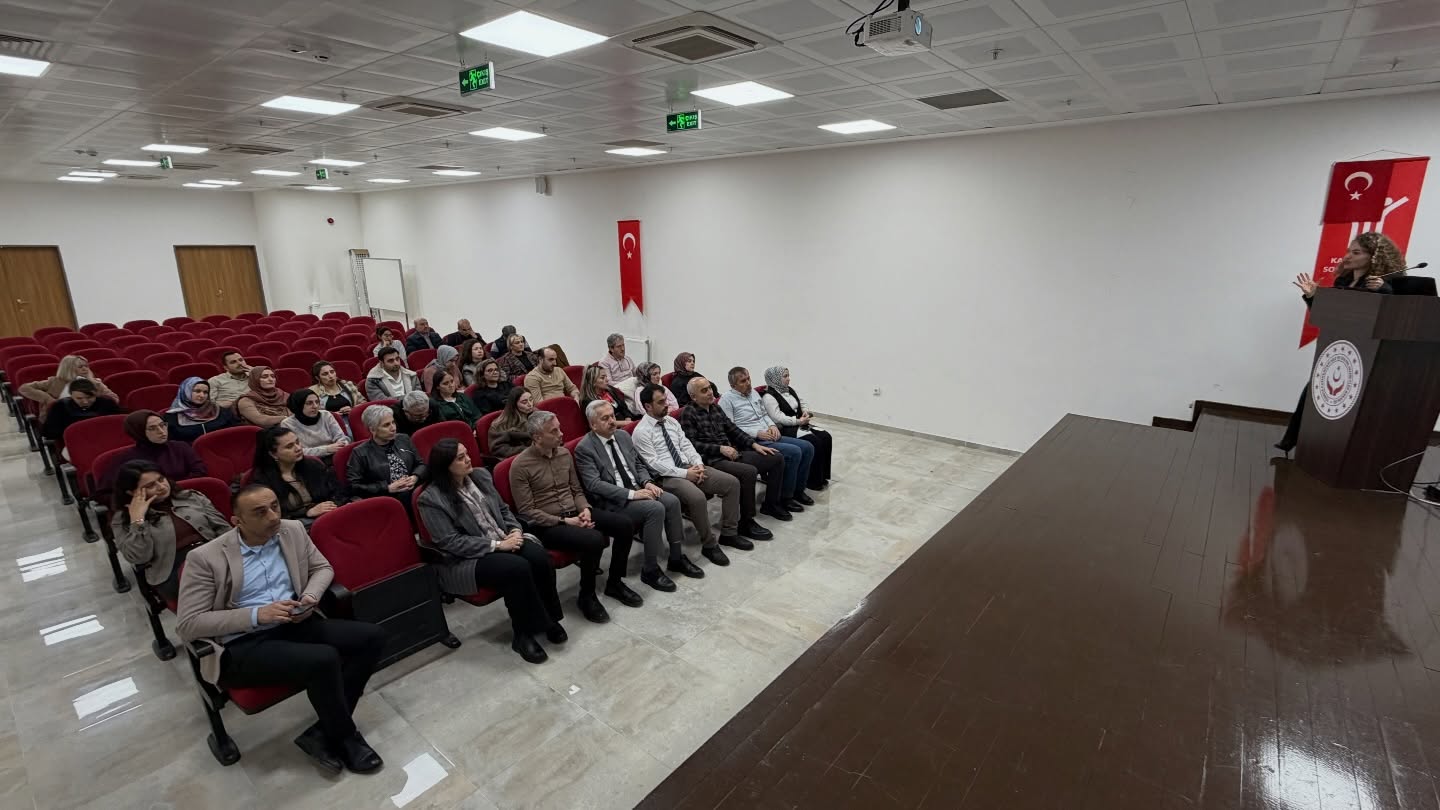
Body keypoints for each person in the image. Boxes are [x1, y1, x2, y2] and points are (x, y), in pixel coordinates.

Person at [176, 484, 387, 775]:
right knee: (324, 659)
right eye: (260, 512)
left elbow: (322, 568)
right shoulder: (206, 558)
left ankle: (322, 732)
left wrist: (310, 597)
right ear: (237, 520)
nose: (273, 516)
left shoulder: (292, 530)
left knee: (372, 637)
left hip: (294, 622)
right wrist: (256, 615)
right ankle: (344, 737)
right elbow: (188, 624)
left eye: (275, 506)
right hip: (243, 643)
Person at [417, 439, 567, 664]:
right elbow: (450, 542)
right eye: (460, 458)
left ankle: (549, 619)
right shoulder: (430, 499)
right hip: (469, 558)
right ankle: (522, 634)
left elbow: (503, 510)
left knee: (540, 558)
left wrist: (515, 530)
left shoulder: (480, 476)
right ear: (445, 465)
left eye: (467, 454)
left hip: (504, 537)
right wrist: (497, 545)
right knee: (516, 568)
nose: (468, 459)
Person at [1277, 231, 1405, 452]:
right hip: (1337, 348)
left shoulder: (1382, 285)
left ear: (1373, 257)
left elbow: (1388, 317)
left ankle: (1331, 449)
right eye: (1348, 251)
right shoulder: (1343, 280)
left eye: (1356, 252)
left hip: (1363, 354)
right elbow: (1326, 316)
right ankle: (1294, 440)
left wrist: (1384, 291)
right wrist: (1312, 296)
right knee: (1314, 392)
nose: (1347, 256)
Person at [510, 410, 643, 620]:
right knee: (594, 539)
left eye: (560, 428)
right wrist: (565, 521)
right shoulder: (520, 466)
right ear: (537, 437)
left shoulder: (564, 454)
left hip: (575, 512)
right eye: (554, 431)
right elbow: (527, 511)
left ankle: (615, 582)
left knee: (624, 525)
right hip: (549, 525)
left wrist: (585, 509)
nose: (561, 434)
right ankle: (587, 596)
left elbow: (577, 490)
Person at [574, 400, 702, 592]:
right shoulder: (585, 448)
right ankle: (650, 569)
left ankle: (676, 558)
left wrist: (647, 482)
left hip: (637, 487)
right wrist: (633, 494)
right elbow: (594, 484)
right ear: (593, 424)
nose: (612, 421)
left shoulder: (623, 436)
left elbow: (639, 464)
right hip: (614, 500)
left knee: (672, 501)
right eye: (605, 418)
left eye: (612, 416)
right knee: (655, 508)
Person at [633, 383, 749, 566]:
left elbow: (686, 445)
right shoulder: (641, 432)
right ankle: (709, 544)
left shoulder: (671, 422)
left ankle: (729, 533)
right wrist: (686, 474)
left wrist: (698, 464)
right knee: (697, 497)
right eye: (661, 402)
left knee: (732, 483)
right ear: (648, 406)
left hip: (690, 467)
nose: (667, 404)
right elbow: (654, 464)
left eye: (665, 400)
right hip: (666, 477)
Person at [112, 460, 230, 601]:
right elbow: (139, 557)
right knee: (221, 589)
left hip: (213, 553)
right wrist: (137, 520)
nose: (161, 487)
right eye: (150, 486)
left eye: (161, 479)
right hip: (172, 569)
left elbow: (224, 529)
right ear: (132, 492)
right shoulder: (122, 519)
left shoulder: (191, 497)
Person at [682, 375, 787, 526]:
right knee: (749, 472)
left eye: (710, 388)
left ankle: (771, 505)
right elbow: (691, 444)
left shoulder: (715, 408)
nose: (710, 392)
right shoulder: (689, 413)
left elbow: (733, 429)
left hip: (730, 453)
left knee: (776, 458)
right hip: (712, 460)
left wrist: (754, 445)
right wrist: (720, 449)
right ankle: (746, 521)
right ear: (693, 397)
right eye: (704, 391)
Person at [721, 367, 814, 513]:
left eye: (748, 378)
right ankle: (785, 497)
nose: (748, 383)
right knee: (794, 452)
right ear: (733, 385)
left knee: (808, 447)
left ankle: (797, 490)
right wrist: (757, 433)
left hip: (768, 433)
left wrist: (772, 425)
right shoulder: (726, 400)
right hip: (751, 441)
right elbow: (730, 428)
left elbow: (764, 414)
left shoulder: (753, 393)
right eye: (743, 381)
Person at [251, 426, 348, 527]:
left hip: (327, 517)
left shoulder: (313, 465)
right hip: (294, 526)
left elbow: (338, 492)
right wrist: (307, 512)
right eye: (289, 446)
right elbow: (272, 515)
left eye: (297, 442)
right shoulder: (262, 481)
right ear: (273, 454)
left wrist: (332, 506)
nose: (298, 448)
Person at [761, 366, 833, 491]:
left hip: (799, 423)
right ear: (775, 379)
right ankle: (812, 480)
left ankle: (822, 476)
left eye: (788, 375)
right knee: (815, 441)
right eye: (785, 376)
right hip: (786, 428)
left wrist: (805, 412)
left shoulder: (789, 390)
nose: (788, 379)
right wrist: (798, 421)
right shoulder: (768, 397)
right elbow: (778, 417)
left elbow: (802, 402)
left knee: (826, 437)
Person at [99, 410, 206, 492]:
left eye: (162, 425)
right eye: (152, 428)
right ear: (138, 432)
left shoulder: (180, 447)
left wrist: (172, 489)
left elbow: (200, 472)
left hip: (185, 496)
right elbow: (105, 493)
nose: (161, 431)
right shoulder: (124, 459)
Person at [347, 406, 424, 513]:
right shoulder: (360, 453)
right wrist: (387, 488)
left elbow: (421, 464)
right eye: (386, 425)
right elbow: (353, 486)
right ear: (372, 429)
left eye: (393, 422)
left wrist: (415, 477)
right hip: (387, 499)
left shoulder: (403, 439)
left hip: (414, 490)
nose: (393, 428)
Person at [20, 354, 118, 419]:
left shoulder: (95, 383)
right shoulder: (54, 382)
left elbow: (113, 398)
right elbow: (24, 388)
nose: (85, 369)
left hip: (90, 415)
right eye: (80, 367)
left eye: (86, 366)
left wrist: (94, 401)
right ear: (68, 369)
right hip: (60, 418)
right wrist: (48, 399)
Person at [41, 377, 125, 443]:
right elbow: (49, 432)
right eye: (79, 398)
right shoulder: (60, 407)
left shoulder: (107, 403)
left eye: (89, 397)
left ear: (96, 394)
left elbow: (119, 425)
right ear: (71, 395)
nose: (85, 402)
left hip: (107, 439)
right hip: (75, 442)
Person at [164, 377, 238, 443]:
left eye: (205, 392)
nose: (202, 395)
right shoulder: (171, 417)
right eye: (197, 391)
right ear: (186, 391)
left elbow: (234, 433)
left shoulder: (220, 411)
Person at [282, 390, 350, 459]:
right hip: (307, 461)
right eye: (309, 403)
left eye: (317, 402)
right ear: (298, 405)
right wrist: (327, 449)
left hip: (336, 455)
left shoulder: (326, 415)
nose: (315, 406)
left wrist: (341, 445)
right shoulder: (287, 424)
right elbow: (296, 452)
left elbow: (342, 438)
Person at [310, 361, 366, 427]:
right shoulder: (313, 392)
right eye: (325, 374)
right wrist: (331, 415)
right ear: (317, 378)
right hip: (329, 425)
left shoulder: (348, 385)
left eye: (332, 372)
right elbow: (311, 413)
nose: (330, 376)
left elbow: (364, 404)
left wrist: (353, 410)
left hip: (353, 421)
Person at [489, 388, 536, 459]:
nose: (530, 404)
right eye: (524, 402)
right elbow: (498, 449)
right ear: (514, 404)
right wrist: (527, 450)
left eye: (531, 399)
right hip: (520, 459)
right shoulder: (501, 425)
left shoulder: (536, 414)